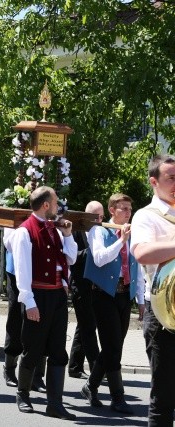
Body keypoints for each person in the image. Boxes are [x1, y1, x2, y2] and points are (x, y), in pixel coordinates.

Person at [11, 186, 77, 420]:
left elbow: (71, 257)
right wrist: (29, 302)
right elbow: (22, 271)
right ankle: (22, 394)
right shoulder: (24, 232)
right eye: (56, 202)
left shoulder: (56, 230)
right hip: (37, 297)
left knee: (58, 351)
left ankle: (55, 403)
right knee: (33, 350)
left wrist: (68, 235)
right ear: (46, 205)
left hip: (58, 296)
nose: (59, 206)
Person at [80, 193, 144, 414]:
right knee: (113, 347)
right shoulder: (99, 231)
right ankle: (118, 397)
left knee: (112, 346)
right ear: (112, 211)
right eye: (123, 209)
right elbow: (100, 258)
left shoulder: (131, 232)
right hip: (104, 294)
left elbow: (138, 266)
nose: (128, 212)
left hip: (125, 295)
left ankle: (90, 385)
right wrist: (121, 240)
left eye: (129, 209)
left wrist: (141, 299)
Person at [130, 154, 175, 427]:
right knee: (164, 398)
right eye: (171, 178)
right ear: (154, 182)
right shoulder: (145, 216)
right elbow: (143, 253)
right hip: (164, 317)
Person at [2, 228, 48, 392]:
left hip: (39, 273)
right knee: (15, 319)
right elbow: (8, 243)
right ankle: (9, 369)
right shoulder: (16, 215)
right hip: (17, 272)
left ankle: (37, 376)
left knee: (40, 321)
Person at [67, 201, 102, 379]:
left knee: (85, 324)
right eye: (96, 217)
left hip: (94, 285)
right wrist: (91, 252)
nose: (99, 220)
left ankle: (74, 366)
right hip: (79, 284)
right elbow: (72, 257)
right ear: (87, 216)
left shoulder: (101, 233)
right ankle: (96, 368)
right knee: (88, 326)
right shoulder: (76, 231)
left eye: (102, 216)